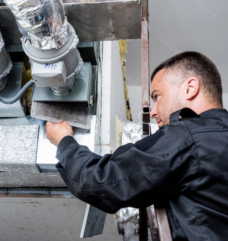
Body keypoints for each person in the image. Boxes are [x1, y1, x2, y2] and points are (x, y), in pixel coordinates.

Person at [46, 51, 228, 241]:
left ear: (190, 88)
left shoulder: (187, 136)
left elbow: (101, 180)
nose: (154, 112)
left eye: (157, 96)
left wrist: (64, 142)